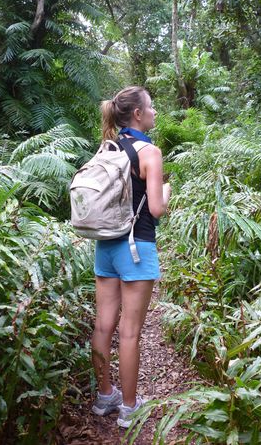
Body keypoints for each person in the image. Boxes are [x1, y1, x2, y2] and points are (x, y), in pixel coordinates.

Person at [91, 86, 171, 428]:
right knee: (130, 332)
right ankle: (128, 407)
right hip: (136, 248)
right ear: (137, 114)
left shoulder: (106, 147)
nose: (154, 112)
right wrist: (166, 192)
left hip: (105, 246)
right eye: (151, 107)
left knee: (103, 324)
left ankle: (104, 395)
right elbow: (156, 209)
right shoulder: (149, 152)